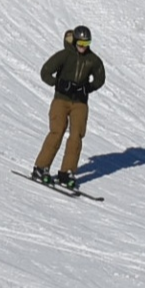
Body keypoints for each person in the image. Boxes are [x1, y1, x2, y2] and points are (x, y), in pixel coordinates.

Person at [33, 25, 105, 187]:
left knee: (76, 135)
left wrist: (88, 88)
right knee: (57, 131)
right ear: (75, 41)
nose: (83, 47)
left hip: (80, 103)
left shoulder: (92, 60)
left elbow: (100, 78)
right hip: (61, 100)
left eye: (86, 44)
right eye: (80, 43)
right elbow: (45, 72)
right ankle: (41, 168)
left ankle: (66, 173)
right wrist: (58, 83)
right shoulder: (65, 55)